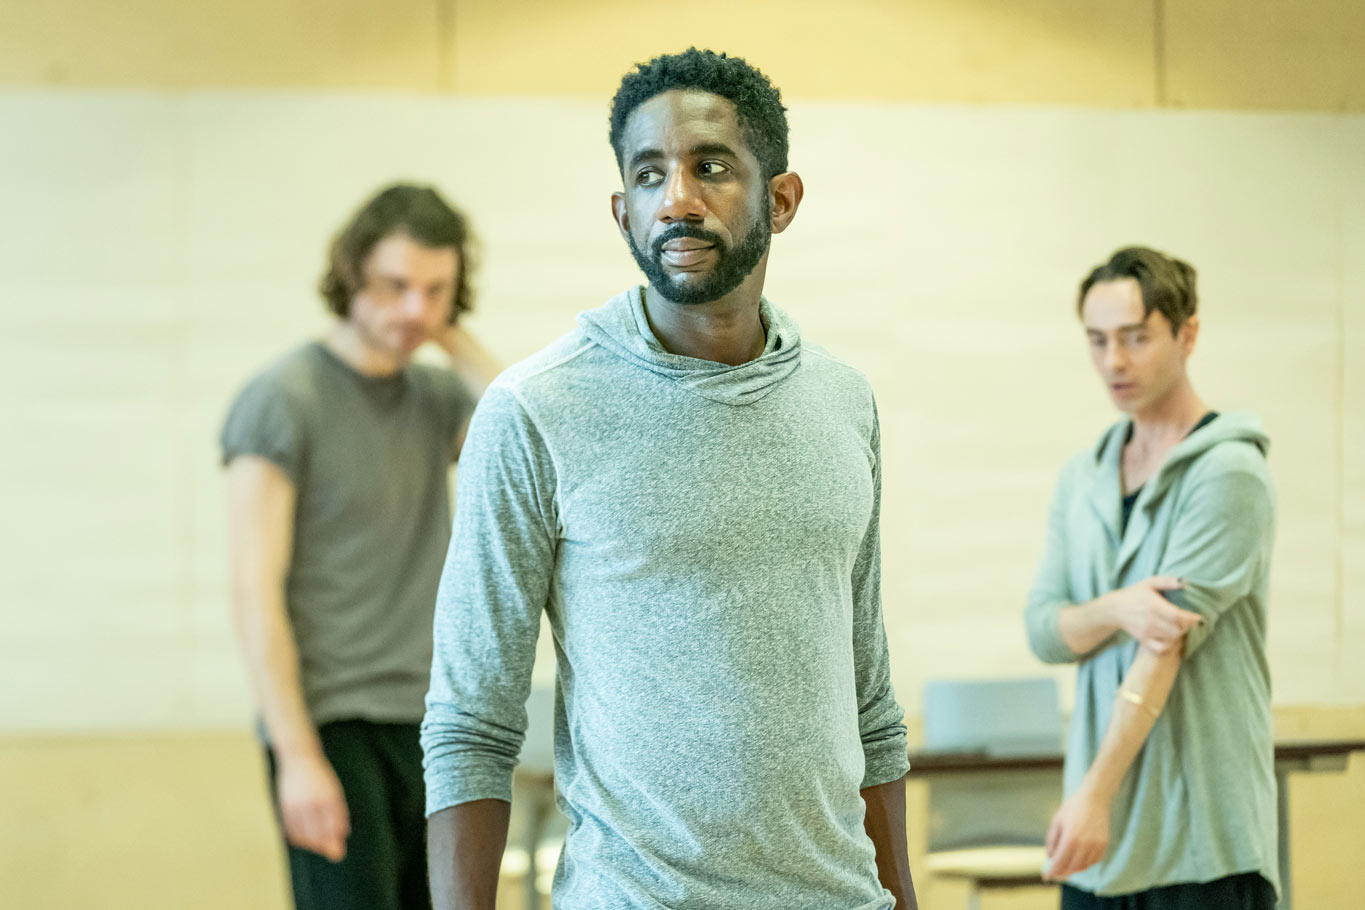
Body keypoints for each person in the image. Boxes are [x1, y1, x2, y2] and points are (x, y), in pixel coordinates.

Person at [423, 48, 917, 910]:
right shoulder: (536, 409)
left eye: (711, 168)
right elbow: (472, 722)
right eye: (648, 176)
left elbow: (869, 700)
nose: (676, 201)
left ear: (783, 199)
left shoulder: (843, 402)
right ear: (622, 213)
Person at [222, 183, 499, 910]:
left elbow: (527, 437)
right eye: (394, 285)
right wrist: (297, 756)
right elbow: (254, 591)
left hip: (434, 718)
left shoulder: (439, 399)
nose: (413, 307)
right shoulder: (283, 400)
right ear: (350, 277)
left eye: (436, 290)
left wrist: (446, 331)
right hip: (332, 721)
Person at [1025, 246, 1278, 909]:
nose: (1114, 361)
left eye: (1136, 338)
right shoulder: (1082, 475)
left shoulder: (1227, 471)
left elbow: (1162, 645)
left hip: (1196, 842)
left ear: (1185, 333)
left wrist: (1092, 797)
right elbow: (1045, 629)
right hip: (1096, 854)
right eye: (1098, 340)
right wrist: (1113, 608)